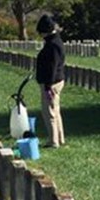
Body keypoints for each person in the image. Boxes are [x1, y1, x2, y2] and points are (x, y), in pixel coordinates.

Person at [35, 14, 65, 148]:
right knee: (55, 110)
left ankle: (53, 141)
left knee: (49, 112)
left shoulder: (52, 45)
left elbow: (52, 66)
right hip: (55, 80)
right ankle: (59, 138)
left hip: (51, 82)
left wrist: (47, 86)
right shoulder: (55, 41)